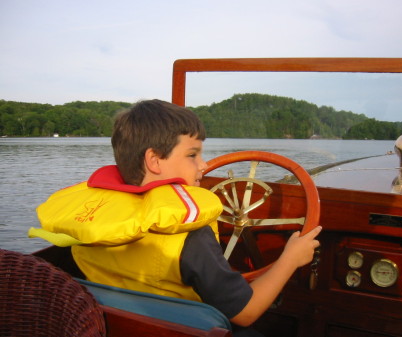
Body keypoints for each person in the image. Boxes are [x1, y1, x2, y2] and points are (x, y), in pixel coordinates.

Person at [31, 99, 321, 329]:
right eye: (192, 154)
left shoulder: (89, 219)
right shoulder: (189, 233)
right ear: (155, 160)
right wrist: (290, 259)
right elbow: (245, 314)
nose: (203, 165)